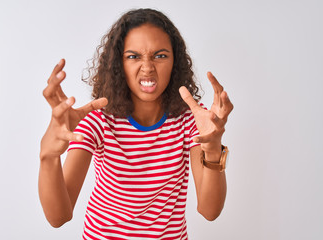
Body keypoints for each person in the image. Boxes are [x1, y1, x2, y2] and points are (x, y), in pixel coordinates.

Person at [39, 8, 233, 240]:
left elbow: (209, 211)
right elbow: (58, 217)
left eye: (160, 55)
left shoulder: (190, 119)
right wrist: (48, 155)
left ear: (175, 62)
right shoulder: (98, 119)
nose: (148, 67)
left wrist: (213, 148)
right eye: (133, 56)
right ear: (119, 63)